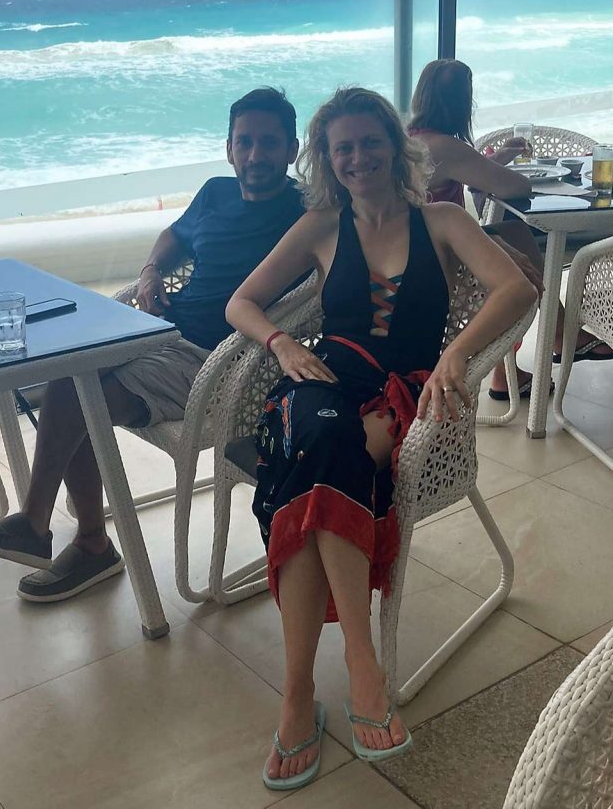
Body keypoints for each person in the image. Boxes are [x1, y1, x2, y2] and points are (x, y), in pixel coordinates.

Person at [226, 86, 536, 791]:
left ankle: (299, 692)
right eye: (344, 148)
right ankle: (362, 666)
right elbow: (240, 301)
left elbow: (516, 289)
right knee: (327, 438)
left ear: (396, 148)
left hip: (398, 397)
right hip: (315, 389)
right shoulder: (318, 226)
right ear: (327, 160)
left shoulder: (442, 219)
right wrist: (278, 342)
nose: (358, 157)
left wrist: (457, 354)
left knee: (317, 465)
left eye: (371, 142)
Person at [0, 87, 305, 602]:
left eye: (269, 144)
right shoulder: (215, 192)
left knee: (77, 390)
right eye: (244, 142)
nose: (255, 156)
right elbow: (174, 235)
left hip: (219, 358)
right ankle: (88, 544)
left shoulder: (304, 210)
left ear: (293, 150)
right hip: (160, 332)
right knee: (71, 365)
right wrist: (149, 272)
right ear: (229, 148)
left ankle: (44, 527)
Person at [409, 59, 612, 399]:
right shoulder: (444, 147)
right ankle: (555, 339)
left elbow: (468, 172)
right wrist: (499, 167)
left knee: (511, 234)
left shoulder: (413, 139)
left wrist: (497, 157)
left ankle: (536, 351)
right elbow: (515, 187)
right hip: (439, 258)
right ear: (463, 103)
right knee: (514, 245)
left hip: (420, 246)